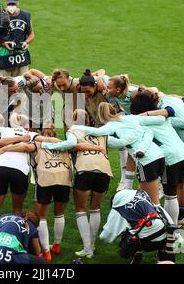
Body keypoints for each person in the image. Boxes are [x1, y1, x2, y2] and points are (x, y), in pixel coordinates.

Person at [41, 109, 113, 259]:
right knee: (95, 209)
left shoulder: (73, 131)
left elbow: (72, 145)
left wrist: (47, 146)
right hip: (104, 170)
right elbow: (117, 143)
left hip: (84, 169)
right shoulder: (101, 132)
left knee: (81, 209)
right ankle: (91, 245)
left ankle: (88, 249)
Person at [0, 123, 67, 261]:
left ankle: (46, 252)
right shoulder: (63, 144)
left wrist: (4, 149)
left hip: (44, 179)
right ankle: (57, 244)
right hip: (63, 178)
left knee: (42, 216)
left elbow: (24, 146)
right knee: (59, 214)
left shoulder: (37, 143)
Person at [130, 92, 184, 224]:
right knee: (175, 190)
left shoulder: (140, 122)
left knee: (170, 195)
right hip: (183, 154)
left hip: (169, 157)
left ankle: (172, 229)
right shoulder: (161, 117)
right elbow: (171, 110)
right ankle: (177, 222)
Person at [0, 113, 35, 229]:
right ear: (26, 124)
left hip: (1, 166)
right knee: (17, 211)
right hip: (20, 169)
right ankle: (15, 240)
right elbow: (47, 140)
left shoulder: (3, 130)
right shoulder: (30, 134)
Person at [100, 189, 176, 264]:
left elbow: (107, 235)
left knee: (125, 242)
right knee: (153, 223)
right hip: (165, 235)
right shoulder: (143, 195)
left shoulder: (118, 207)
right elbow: (159, 209)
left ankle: (136, 251)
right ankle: (163, 253)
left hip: (146, 243)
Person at [0, 0, 34, 77]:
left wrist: (26, 42)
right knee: (4, 88)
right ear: (5, 2)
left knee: (22, 86)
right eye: (9, 4)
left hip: (21, 57)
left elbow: (31, 34)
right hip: (4, 56)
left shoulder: (26, 15)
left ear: (18, 3)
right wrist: (3, 43)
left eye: (13, 4)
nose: (11, 6)